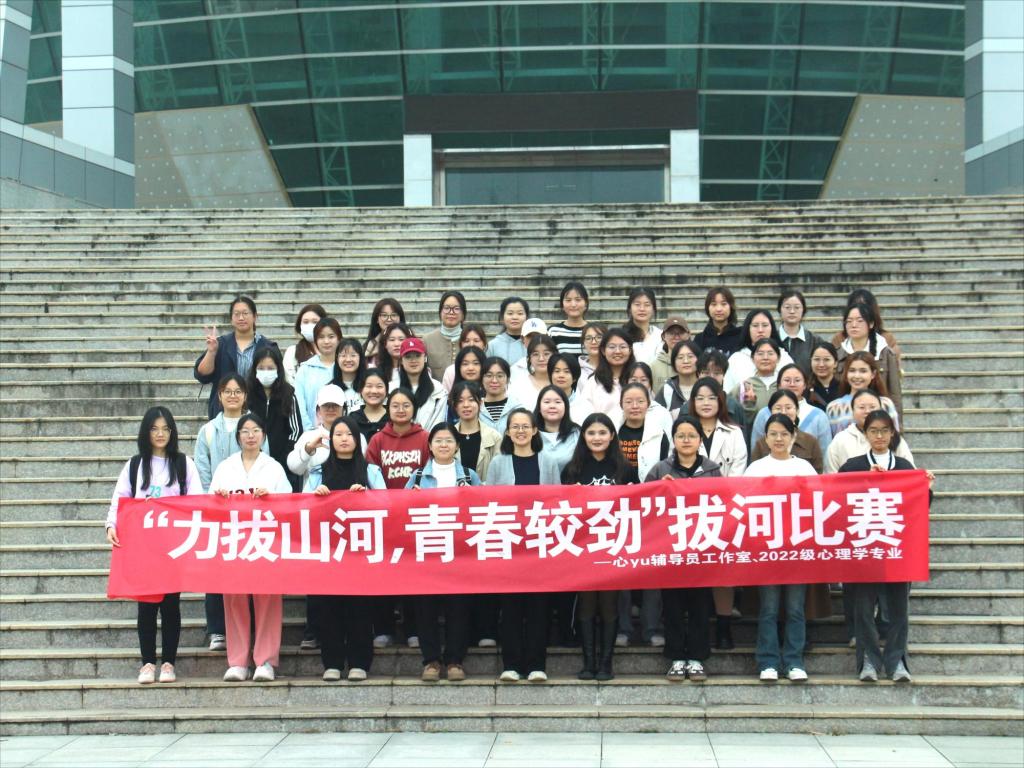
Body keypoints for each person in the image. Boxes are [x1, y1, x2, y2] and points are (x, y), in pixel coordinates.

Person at [106, 407, 203, 684]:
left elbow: (197, 499)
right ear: (146, 432)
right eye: (154, 429)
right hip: (143, 547)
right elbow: (120, 498)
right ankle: (147, 663)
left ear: (172, 432)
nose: (160, 434)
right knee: (146, 607)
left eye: (165, 429)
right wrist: (111, 524)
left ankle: (169, 663)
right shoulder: (135, 465)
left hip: (172, 546)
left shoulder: (184, 464)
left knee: (171, 605)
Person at [839, 409, 933, 684]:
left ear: (892, 434)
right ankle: (868, 659)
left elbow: (919, 507)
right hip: (864, 547)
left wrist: (925, 488)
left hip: (897, 547)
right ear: (865, 434)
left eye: (884, 431)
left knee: (898, 607)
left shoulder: (904, 467)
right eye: (873, 431)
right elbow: (838, 501)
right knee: (863, 608)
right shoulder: (853, 466)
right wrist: (865, 480)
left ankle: (897, 660)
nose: (879, 436)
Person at [209, 413, 292, 683]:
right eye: (245, 431)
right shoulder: (225, 467)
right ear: (238, 437)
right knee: (234, 600)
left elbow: (289, 504)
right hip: (233, 542)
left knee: (267, 599)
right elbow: (210, 503)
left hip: (265, 541)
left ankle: (265, 660)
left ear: (263, 435)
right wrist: (220, 498)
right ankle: (237, 661)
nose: (250, 435)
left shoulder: (274, 467)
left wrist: (271, 498)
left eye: (256, 430)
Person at [645, 415, 721, 682]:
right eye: (681, 436)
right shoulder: (660, 469)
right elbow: (643, 505)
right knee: (673, 606)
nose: (686, 440)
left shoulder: (712, 470)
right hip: (670, 549)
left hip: (702, 548)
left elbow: (723, 504)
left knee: (700, 606)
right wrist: (659, 489)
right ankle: (676, 657)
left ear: (700, 440)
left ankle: (697, 658)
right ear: (674, 440)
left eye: (692, 436)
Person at [310, 415, 386, 682]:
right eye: (338, 434)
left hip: (360, 551)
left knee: (360, 608)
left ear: (358, 439)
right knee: (328, 608)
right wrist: (316, 496)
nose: (344, 439)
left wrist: (367, 496)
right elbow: (303, 508)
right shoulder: (318, 472)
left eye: (349, 434)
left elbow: (387, 505)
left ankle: (359, 662)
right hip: (327, 550)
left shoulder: (371, 471)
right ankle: (332, 662)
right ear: (331, 439)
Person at [194, 374, 267, 652]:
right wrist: (212, 500)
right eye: (227, 391)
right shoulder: (208, 431)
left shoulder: (254, 425)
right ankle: (217, 630)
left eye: (238, 391)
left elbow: (266, 461)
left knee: (250, 569)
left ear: (245, 395)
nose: (233, 396)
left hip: (251, 514)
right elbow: (202, 470)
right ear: (220, 395)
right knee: (216, 569)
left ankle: (250, 630)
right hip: (219, 512)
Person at [487, 409, 560, 682]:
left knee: (539, 608)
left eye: (525, 426)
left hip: (539, 544)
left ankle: (536, 665)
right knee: (511, 608)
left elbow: (557, 502)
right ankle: (511, 665)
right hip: (509, 544)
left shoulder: (548, 462)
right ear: (507, 432)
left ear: (534, 430)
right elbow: (489, 503)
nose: (520, 431)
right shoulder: (498, 463)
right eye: (515, 427)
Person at [562, 413, 635, 680]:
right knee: (586, 605)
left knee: (609, 605)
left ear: (612, 436)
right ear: (583, 436)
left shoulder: (625, 469)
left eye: (602, 433)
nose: (597, 438)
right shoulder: (572, 470)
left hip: (613, 546)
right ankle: (588, 663)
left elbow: (637, 506)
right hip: (582, 547)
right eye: (591, 433)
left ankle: (606, 664)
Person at [406, 423, 482, 682]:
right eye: (438, 440)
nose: (443, 445)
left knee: (458, 608)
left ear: (457, 445)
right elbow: (400, 513)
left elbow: (483, 512)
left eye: (449, 440)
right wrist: (411, 500)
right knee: (425, 609)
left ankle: (454, 661)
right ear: (429, 445)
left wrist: (473, 497)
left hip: (459, 553)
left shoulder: (470, 476)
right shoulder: (417, 477)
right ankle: (430, 660)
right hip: (426, 552)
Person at [745, 413, 817, 683]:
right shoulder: (756, 468)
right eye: (773, 434)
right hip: (767, 550)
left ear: (793, 437)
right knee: (769, 608)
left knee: (796, 608)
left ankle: (794, 660)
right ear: (765, 438)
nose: (778, 439)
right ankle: (768, 661)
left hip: (797, 548)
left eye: (784, 434)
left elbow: (817, 502)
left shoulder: (804, 468)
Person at [364, 388, 429, 648]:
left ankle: (414, 630)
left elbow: (430, 473)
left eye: (406, 405)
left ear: (414, 409)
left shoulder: (425, 438)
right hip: (384, 518)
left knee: (414, 574)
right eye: (395, 406)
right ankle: (383, 629)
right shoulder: (378, 440)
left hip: (415, 517)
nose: (401, 410)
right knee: (384, 573)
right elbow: (369, 476)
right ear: (388, 409)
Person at [689, 376, 748, 649]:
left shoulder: (733, 432)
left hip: (725, 509)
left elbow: (738, 472)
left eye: (711, 398)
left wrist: (720, 502)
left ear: (720, 401)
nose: (705, 403)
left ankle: (724, 628)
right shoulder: (685, 428)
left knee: (723, 571)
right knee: (696, 571)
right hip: (691, 511)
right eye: (700, 398)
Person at [614, 379, 668, 647]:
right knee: (621, 571)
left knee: (652, 570)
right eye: (629, 401)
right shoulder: (612, 431)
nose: (634, 406)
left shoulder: (660, 434)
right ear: (621, 404)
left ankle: (652, 629)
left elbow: (667, 467)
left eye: (640, 401)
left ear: (649, 404)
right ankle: (623, 629)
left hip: (652, 511)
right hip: (617, 511)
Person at [194, 295, 277, 420]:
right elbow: (202, 376)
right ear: (231, 319)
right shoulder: (220, 344)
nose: (241, 318)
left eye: (245, 313)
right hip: (224, 411)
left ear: (255, 317)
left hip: (258, 412)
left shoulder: (268, 346)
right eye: (236, 314)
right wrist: (211, 352)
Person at [748, 364, 832, 463]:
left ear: (805, 385)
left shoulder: (819, 415)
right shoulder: (764, 414)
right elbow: (756, 452)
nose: (792, 384)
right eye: (787, 380)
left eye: (797, 380)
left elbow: (825, 455)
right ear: (779, 385)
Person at [247, 347, 303, 492]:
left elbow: (296, 431)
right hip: (253, 463)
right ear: (254, 370)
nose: (266, 372)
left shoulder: (288, 395)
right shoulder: (247, 395)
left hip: (283, 465)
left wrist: (286, 456)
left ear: (278, 369)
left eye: (270, 368)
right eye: (261, 368)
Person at [837, 302, 902, 419]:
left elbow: (894, 392)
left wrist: (897, 425)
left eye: (859, 321)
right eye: (849, 321)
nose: (853, 325)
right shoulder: (838, 354)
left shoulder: (885, 353)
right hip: (844, 415)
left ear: (871, 323)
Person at [826, 388, 915, 473]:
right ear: (852, 411)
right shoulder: (840, 439)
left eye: (872, 407)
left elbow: (910, 474)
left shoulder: (893, 438)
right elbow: (832, 475)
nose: (867, 411)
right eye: (862, 407)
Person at [287, 384, 347, 492]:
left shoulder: (356, 436)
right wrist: (308, 449)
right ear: (318, 410)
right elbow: (295, 468)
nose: (330, 409)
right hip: (314, 497)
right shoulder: (308, 436)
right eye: (326, 405)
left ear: (344, 408)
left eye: (335, 405)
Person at [748, 390, 824, 474]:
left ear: (797, 410)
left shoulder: (810, 443)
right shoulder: (761, 445)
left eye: (788, 408)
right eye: (778, 408)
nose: (783, 412)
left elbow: (817, 475)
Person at [826, 351, 901, 436]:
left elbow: (895, 438)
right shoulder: (834, 408)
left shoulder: (885, 405)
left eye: (863, 371)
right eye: (852, 371)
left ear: (873, 374)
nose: (857, 376)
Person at [723, 309, 794, 395]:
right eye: (755, 325)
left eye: (765, 325)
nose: (760, 330)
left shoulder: (784, 357)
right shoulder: (737, 359)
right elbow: (728, 393)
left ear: (772, 328)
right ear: (748, 329)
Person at [831, 288, 903, 366]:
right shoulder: (839, 339)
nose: (858, 310)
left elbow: (894, 368)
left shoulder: (886, 339)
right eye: (855, 306)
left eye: (864, 306)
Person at [577, 328, 635, 422]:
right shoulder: (594, 382)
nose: (617, 351)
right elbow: (584, 413)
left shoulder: (637, 378)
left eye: (623, 347)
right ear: (603, 351)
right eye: (612, 347)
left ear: (630, 350)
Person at [294, 317, 342, 431]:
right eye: (321, 337)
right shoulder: (305, 369)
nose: (326, 341)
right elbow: (300, 405)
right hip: (313, 432)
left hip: (344, 433)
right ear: (315, 341)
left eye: (331, 336)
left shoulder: (345, 367)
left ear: (339, 339)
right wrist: (309, 431)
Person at [450, 381, 501, 479]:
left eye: (471, 400)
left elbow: (500, 475)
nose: (466, 405)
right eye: (460, 401)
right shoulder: (448, 436)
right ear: (455, 405)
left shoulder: (494, 437)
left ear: (480, 403)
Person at [398, 337, 447, 430]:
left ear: (425, 358)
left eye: (417, 355)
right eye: (408, 357)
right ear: (401, 361)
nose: (413, 360)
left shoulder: (438, 390)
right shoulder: (392, 388)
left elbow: (438, 422)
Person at [734, 338, 783, 426]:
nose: (765, 358)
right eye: (760, 354)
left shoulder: (784, 385)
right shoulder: (743, 386)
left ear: (778, 358)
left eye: (770, 353)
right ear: (752, 359)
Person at [534, 384, 580, 472]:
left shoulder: (577, 433)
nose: (552, 406)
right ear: (539, 407)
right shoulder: (530, 433)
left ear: (566, 407)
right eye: (547, 402)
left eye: (558, 402)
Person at [423, 291, 467, 380]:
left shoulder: (470, 338)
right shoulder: (427, 340)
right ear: (440, 312)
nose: (451, 312)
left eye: (456, 308)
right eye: (446, 308)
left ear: (463, 314)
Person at [696, 349, 746, 428]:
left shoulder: (734, 407)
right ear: (698, 375)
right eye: (706, 372)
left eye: (717, 373)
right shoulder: (687, 408)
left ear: (724, 375)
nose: (711, 377)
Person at [508, 334, 557, 411]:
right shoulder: (519, 384)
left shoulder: (562, 381)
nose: (541, 359)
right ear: (529, 358)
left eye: (546, 354)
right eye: (535, 354)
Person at [777, 289, 822, 371]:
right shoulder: (772, 339)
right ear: (780, 310)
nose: (792, 311)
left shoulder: (814, 341)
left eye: (797, 307)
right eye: (787, 307)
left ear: (803, 310)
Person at [656, 340, 701, 419]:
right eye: (680, 357)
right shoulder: (667, 390)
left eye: (690, 356)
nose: (686, 361)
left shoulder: (707, 387)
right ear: (673, 362)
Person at [283, 303, 326, 384]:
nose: (310, 325)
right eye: (306, 322)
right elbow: (289, 380)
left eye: (315, 322)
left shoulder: (334, 351)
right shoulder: (292, 352)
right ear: (300, 326)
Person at [693, 287, 742, 356]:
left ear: (731, 307)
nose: (719, 309)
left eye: (723, 304)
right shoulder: (699, 339)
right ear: (708, 308)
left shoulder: (741, 336)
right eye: (714, 304)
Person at [547, 352, 593, 426]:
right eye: (557, 371)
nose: (561, 375)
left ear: (574, 377)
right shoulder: (543, 403)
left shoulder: (585, 405)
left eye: (566, 371)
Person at [547, 281, 590, 356]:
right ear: (562, 304)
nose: (573, 305)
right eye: (568, 300)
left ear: (586, 303)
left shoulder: (594, 331)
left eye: (578, 300)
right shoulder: (553, 332)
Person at [440, 325, 488, 391]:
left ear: (484, 344)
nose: (471, 344)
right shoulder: (451, 371)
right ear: (461, 345)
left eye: (476, 341)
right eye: (466, 341)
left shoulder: (490, 368)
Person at [479, 357, 520, 434]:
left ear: (508, 379)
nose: (494, 380)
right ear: (481, 379)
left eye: (500, 376)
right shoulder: (475, 409)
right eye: (489, 375)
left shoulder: (518, 409)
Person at [486, 297, 530, 365]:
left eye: (520, 313)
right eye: (510, 313)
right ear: (502, 317)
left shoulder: (533, 343)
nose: (515, 317)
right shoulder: (492, 346)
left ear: (526, 317)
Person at [651, 316, 690, 391]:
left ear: (688, 335)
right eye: (671, 333)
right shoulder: (654, 367)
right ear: (663, 336)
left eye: (681, 332)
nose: (676, 337)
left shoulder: (694, 364)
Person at [350, 369, 389, 443]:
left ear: (386, 390)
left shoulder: (394, 418)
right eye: (369, 386)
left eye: (379, 386)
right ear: (361, 390)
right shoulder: (352, 419)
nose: (374, 391)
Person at [362, 297, 405, 364]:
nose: (389, 319)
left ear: (400, 318)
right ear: (377, 319)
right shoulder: (369, 348)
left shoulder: (411, 343)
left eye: (394, 315)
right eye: (384, 315)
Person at [624, 287, 661, 364]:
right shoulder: (622, 336)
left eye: (647, 305)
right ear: (630, 308)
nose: (642, 309)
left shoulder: (660, 336)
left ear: (653, 309)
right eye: (637, 304)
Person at [330, 338, 366, 416]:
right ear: (337, 358)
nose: (348, 360)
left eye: (353, 355)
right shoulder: (330, 389)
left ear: (360, 358)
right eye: (343, 355)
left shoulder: (368, 387)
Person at [377, 322, 412, 391]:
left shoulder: (416, 368)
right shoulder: (377, 370)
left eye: (401, 339)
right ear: (385, 344)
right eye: (392, 340)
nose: (396, 344)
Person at [809, 341, 841, 405]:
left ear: (835, 363)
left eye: (826, 359)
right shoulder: (804, 389)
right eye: (817, 359)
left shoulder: (845, 388)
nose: (821, 365)